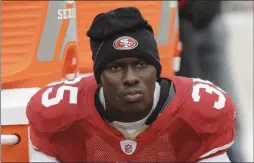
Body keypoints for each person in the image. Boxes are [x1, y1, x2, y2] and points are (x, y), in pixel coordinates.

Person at [27, 7, 236, 162]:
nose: (130, 78)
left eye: (141, 64)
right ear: (98, 77)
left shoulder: (199, 110)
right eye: (115, 68)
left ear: (157, 71)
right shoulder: (59, 115)